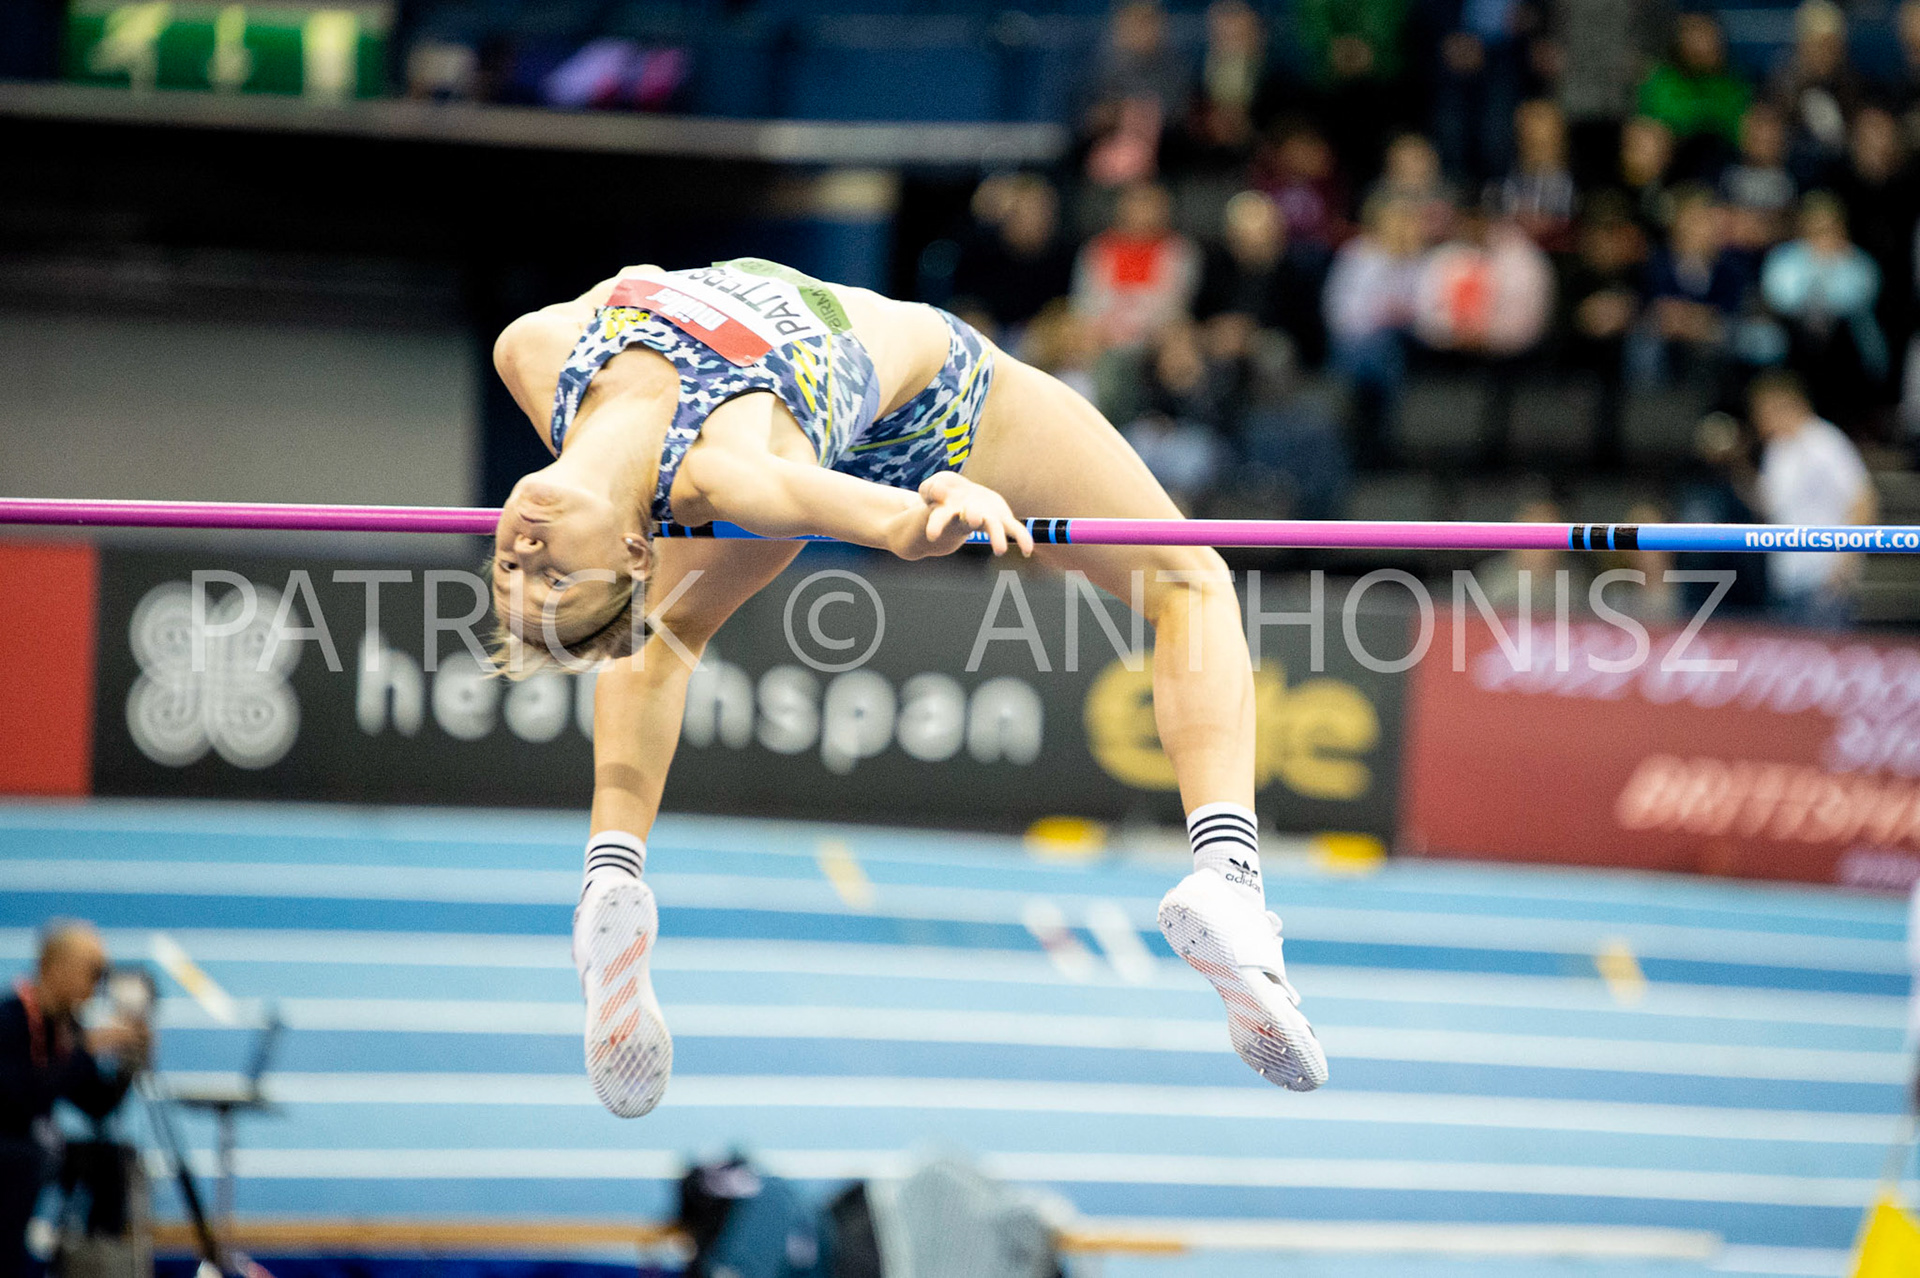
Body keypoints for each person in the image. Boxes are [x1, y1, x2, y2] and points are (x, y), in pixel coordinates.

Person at [487, 256, 1330, 1118]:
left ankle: (610, 879)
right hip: (943, 410)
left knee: (660, 635)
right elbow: (878, 518)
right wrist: (937, 510)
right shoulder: (727, 473)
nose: (525, 555)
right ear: (633, 553)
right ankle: (1227, 876)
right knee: (1192, 580)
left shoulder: (532, 352)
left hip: (833, 419)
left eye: (511, 569)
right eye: (555, 580)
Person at [2, 923, 147, 1278]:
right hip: (9, 1146)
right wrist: (85, 1050)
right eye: (92, 972)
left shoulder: (64, 1025)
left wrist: (129, 1065)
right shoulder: (11, 1019)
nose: (97, 985)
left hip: (35, 1147)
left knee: (115, 1161)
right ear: (57, 967)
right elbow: (20, 1101)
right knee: (23, 1157)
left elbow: (97, 1106)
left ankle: (94, 1258)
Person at [1744, 370, 1877, 625]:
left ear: (1787, 404)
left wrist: (1843, 567)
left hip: (1823, 580)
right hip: (1786, 580)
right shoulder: (1776, 450)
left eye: (1761, 411)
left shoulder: (1824, 442)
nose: (1757, 420)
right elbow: (1769, 508)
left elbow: (1863, 499)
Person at [1071, 181, 1201, 351]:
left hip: (1157, 334)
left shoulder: (1179, 251)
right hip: (1102, 333)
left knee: (1179, 337)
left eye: (1149, 204)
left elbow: (1176, 304)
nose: (1142, 211)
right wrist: (1109, 328)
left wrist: (1138, 328)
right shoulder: (1098, 249)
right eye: (1136, 203)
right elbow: (1085, 302)